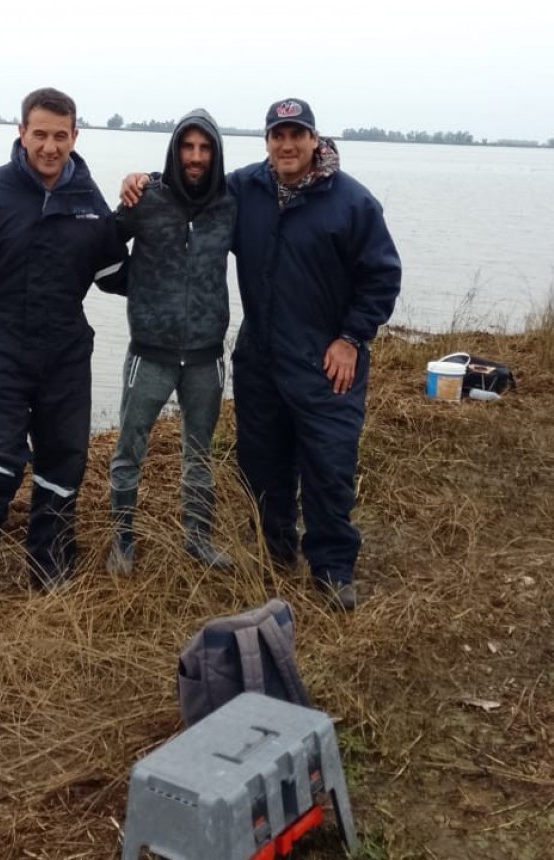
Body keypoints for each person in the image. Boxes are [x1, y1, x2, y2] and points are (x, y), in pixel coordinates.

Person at [122, 98, 401, 610]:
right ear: (267, 142)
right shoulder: (245, 189)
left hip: (326, 358)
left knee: (328, 464)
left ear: (316, 141)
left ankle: (333, 567)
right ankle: (276, 553)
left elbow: (382, 276)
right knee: (262, 462)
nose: (287, 145)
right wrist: (143, 181)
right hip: (260, 354)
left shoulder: (352, 202)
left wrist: (351, 338)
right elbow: (193, 186)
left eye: (297, 135)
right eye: (278, 135)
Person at [0, 87, 128, 609]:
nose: (50, 146)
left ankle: (49, 564)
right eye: (40, 134)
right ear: (21, 133)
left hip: (65, 353)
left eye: (61, 135)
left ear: (75, 137)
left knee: (64, 460)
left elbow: (114, 274)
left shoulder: (87, 198)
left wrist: (153, 224)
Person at [107, 109, 235, 574]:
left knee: (198, 453)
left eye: (204, 148)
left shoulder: (230, 203)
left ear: (215, 153)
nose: (196, 157)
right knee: (129, 449)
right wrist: (137, 284)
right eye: (188, 146)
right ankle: (121, 539)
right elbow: (100, 251)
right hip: (150, 353)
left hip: (206, 356)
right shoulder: (144, 198)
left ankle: (198, 538)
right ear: (175, 150)